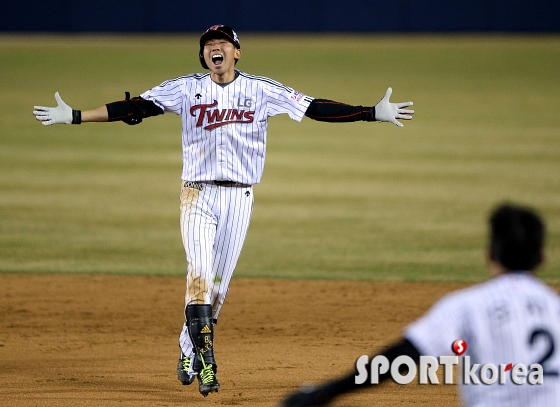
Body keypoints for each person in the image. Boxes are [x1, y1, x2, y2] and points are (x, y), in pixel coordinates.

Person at [32, 24, 414, 397]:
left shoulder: (262, 90)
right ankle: (208, 366)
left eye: (222, 43)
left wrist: (370, 113)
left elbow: (314, 107)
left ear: (236, 52)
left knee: (216, 291)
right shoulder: (185, 88)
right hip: (196, 194)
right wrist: (77, 115)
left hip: (239, 199)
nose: (215, 48)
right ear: (204, 55)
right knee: (198, 274)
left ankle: (187, 348)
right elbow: (136, 107)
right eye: (209, 44)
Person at [280, 203, 560, 406]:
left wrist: (325, 392)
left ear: (490, 255)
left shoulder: (467, 306)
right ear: (541, 259)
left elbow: (402, 357)